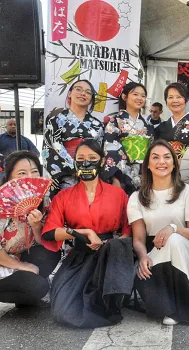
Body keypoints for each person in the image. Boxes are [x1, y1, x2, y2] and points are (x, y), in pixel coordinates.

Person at [128, 140, 189, 325]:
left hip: (184, 249)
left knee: (174, 241)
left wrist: (172, 228)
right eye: (155, 157)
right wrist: (141, 257)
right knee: (153, 291)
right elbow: (138, 238)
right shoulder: (136, 197)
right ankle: (170, 304)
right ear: (148, 164)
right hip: (153, 253)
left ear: (174, 163)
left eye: (166, 157)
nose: (161, 162)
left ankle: (182, 303)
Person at [41, 140, 134, 328]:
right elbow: (50, 232)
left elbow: (128, 231)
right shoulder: (63, 196)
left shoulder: (119, 195)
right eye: (80, 158)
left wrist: (110, 247)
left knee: (98, 301)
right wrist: (83, 232)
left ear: (102, 162)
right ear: (74, 162)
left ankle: (113, 298)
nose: (86, 163)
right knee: (63, 311)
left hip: (110, 256)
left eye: (92, 158)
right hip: (80, 255)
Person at [0, 151, 61, 307]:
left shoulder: (42, 200)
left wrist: (36, 226)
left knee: (51, 253)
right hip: (5, 260)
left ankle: (24, 294)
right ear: (9, 178)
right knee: (39, 287)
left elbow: (43, 242)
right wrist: (22, 266)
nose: (30, 177)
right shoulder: (2, 204)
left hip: (17, 256)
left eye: (34, 171)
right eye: (22, 173)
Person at [42, 79, 104, 197]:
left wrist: (87, 169)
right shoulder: (55, 120)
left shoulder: (97, 125)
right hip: (65, 176)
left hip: (90, 176)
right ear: (70, 93)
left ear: (91, 98)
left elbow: (99, 152)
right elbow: (50, 148)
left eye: (87, 92)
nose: (83, 94)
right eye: (78, 89)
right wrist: (75, 167)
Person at [103, 82, 155, 194]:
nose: (139, 98)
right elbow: (110, 148)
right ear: (124, 96)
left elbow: (151, 150)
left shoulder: (148, 125)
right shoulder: (115, 121)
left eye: (143, 95)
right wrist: (115, 178)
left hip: (144, 175)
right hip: (121, 173)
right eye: (135, 94)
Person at [155, 83, 189, 159]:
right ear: (166, 101)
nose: (175, 100)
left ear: (186, 99)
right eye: (170, 97)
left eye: (179, 97)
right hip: (165, 167)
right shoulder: (161, 127)